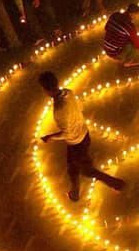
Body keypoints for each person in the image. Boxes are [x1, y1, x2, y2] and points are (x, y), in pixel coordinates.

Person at [38, 71, 126, 201]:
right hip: (83, 134)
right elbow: (80, 107)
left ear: (46, 90)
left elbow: (67, 132)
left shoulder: (59, 109)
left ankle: (117, 184)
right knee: (72, 166)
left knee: (87, 171)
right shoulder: (69, 92)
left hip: (76, 142)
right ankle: (74, 193)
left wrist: (50, 137)